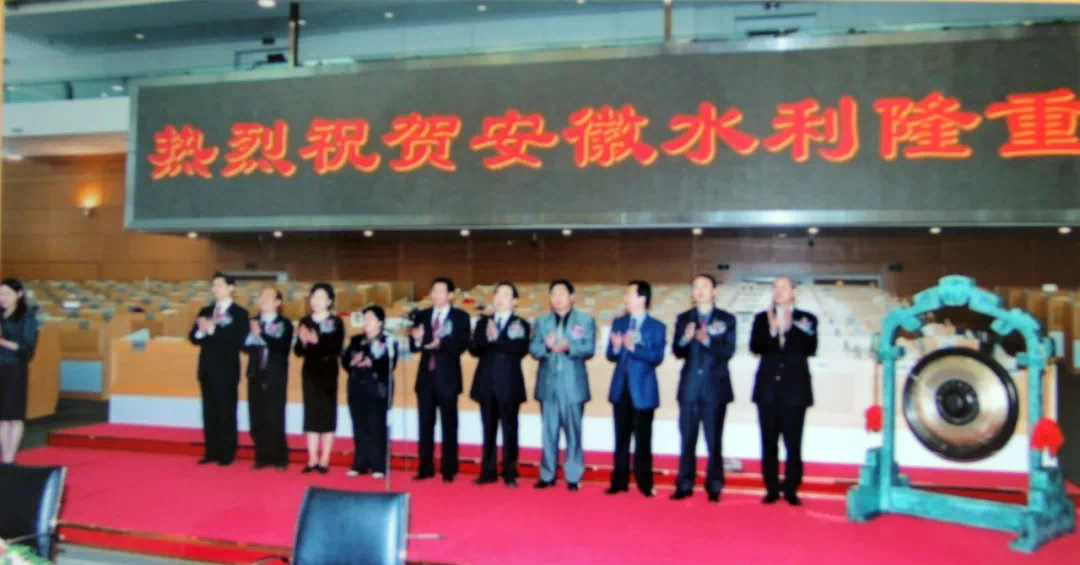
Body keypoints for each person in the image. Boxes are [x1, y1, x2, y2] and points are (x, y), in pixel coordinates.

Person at [750, 276, 818, 506]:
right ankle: (771, 488)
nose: (779, 291)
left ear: (794, 291)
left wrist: (789, 330)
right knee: (768, 442)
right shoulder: (761, 318)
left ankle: (791, 488)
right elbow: (755, 347)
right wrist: (772, 331)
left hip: (795, 391)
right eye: (775, 287)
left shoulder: (807, 319)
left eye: (784, 287)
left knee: (793, 443)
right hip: (767, 390)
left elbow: (811, 347)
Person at [670, 274, 737, 503]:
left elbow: (728, 351)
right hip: (689, 388)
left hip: (714, 388)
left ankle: (714, 485)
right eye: (696, 287)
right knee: (687, 439)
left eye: (704, 286)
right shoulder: (684, 318)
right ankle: (684, 484)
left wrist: (707, 340)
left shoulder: (727, 319)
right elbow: (677, 351)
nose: (699, 291)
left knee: (714, 440)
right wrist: (685, 339)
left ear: (714, 291)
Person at [530, 279, 595, 492]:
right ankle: (547, 475)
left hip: (573, 385)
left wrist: (569, 347)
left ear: (572, 297)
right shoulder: (542, 321)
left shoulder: (584, 320)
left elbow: (589, 347)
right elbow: (534, 348)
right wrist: (547, 348)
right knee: (548, 432)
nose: (557, 298)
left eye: (562, 293)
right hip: (548, 385)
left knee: (573, 432)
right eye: (553, 294)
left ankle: (573, 476)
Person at [605, 280, 666, 497]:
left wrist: (633, 348)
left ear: (642, 298)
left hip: (643, 391)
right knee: (621, 439)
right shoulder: (619, 323)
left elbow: (657, 357)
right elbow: (611, 355)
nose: (625, 298)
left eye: (629, 294)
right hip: (621, 388)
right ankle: (619, 482)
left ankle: (644, 483)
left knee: (643, 440)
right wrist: (615, 347)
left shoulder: (657, 326)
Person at [469, 282, 530, 488]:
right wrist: (486, 338)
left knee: (510, 430)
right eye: (497, 294)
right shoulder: (483, 322)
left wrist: (497, 340)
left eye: (506, 294)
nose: (500, 298)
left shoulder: (521, 324)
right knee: (488, 430)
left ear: (515, 301)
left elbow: (519, 349)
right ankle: (488, 471)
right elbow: (474, 349)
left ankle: (510, 472)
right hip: (486, 383)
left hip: (509, 384)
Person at [409, 277, 470, 483]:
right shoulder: (423, 315)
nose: (436, 295)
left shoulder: (460, 317)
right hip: (425, 378)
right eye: (433, 291)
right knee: (425, 425)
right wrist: (417, 339)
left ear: (450, 295)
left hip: (448, 378)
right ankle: (425, 467)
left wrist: (440, 344)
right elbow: (414, 344)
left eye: (441, 291)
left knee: (449, 424)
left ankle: (449, 469)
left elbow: (463, 344)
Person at [189, 273, 250, 466]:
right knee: (209, 411)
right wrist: (201, 331)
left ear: (231, 288)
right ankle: (211, 451)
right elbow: (193, 337)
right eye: (213, 285)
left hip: (227, 369)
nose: (215, 289)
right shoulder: (206, 310)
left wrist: (213, 330)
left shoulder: (240, 313)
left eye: (220, 285)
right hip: (207, 368)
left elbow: (239, 340)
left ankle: (227, 453)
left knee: (226, 411)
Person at [294, 282, 345, 474]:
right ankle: (312, 457)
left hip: (328, 371)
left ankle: (325, 458)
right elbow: (298, 351)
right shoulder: (305, 321)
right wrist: (302, 342)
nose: (316, 301)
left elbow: (336, 348)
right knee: (311, 414)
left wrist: (317, 341)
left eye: (321, 297)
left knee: (326, 414)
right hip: (310, 371)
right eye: (314, 297)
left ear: (329, 301)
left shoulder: (336, 322)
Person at [342, 305, 397, 479]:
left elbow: (390, 364)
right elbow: (345, 361)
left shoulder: (388, 341)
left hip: (377, 388)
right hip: (357, 387)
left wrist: (371, 362)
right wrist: (353, 361)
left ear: (380, 322)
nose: (366, 322)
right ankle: (360, 464)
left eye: (370, 318)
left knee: (376, 426)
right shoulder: (356, 340)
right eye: (364, 318)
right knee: (359, 426)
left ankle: (379, 465)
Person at [243, 288, 294, 471]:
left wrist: (261, 334)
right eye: (261, 296)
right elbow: (245, 346)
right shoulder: (253, 321)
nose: (263, 300)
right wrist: (251, 336)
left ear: (278, 303)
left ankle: (280, 458)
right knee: (257, 416)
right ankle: (262, 456)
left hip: (275, 375)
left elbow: (281, 347)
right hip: (255, 373)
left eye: (268, 297)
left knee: (275, 415)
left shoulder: (284, 323)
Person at [0, 279, 39, 464]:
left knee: (14, 416)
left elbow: (27, 348)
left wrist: (3, 342)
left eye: (7, 294)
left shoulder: (27, 317)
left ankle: (10, 458)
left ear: (19, 294)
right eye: (0, 294)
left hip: (15, 368)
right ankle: (5, 458)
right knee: (1, 417)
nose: (2, 298)